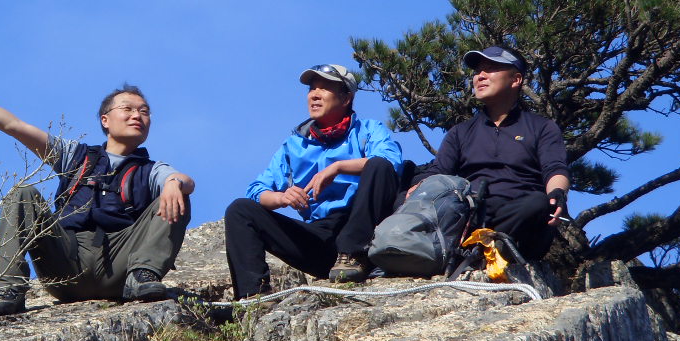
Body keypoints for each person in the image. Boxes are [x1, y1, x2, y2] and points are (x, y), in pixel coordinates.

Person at [0, 54, 195, 317]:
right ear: (105, 120)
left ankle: (143, 275)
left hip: (121, 262)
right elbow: (13, 125)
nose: (137, 116)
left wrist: (174, 183)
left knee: (178, 196)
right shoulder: (76, 156)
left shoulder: (150, 169)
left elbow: (186, 181)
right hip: (67, 264)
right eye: (127, 109)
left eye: (144, 111)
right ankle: (9, 289)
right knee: (22, 194)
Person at [225, 64, 403, 298]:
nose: (314, 95)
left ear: (346, 98)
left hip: (366, 229)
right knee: (240, 210)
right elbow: (257, 190)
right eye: (311, 89)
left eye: (325, 88)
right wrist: (281, 197)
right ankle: (253, 297)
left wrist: (337, 168)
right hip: (322, 238)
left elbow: (391, 162)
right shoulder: (294, 145)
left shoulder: (368, 130)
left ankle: (353, 255)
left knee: (378, 165)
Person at [411, 45, 570, 258]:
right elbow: (439, 171)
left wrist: (557, 193)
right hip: (472, 213)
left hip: (520, 217)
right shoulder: (460, 132)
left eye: (491, 69)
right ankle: (478, 245)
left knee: (539, 203)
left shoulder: (542, 127)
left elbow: (555, 168)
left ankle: (489, 246)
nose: (480, 76)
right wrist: (415, 188)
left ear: (516, 79)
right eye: (477, 71)